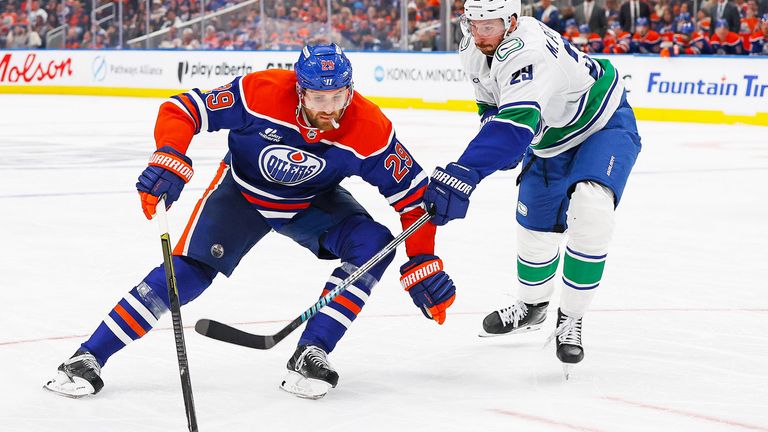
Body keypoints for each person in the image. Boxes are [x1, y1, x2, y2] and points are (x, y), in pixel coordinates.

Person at [43, 44, 456, 400]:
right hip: (241, 194)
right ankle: (89, 355)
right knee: (186, 274)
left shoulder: (369, 127)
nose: (329, 109)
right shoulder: (261, 92)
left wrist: (422, 259)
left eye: (338, 96)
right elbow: (182, 108)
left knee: (375, 245)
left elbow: (416, 199)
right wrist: (170, 153)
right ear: (299, 90)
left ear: (350, 89)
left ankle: (312, 351)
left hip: (311, 203)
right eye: (318, 98)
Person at [427, 0, 641, 376]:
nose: (478, 34)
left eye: (488, 26)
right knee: (534, 231)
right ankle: (532, 306)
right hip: (548, 140)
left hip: (601, 124)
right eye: (472, 24)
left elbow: (514, 124)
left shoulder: (526, 47)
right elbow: (492, 108)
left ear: (512, 21)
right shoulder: (472, 47)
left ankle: (569, 318)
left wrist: (467, 170)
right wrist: (496, 149)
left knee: (591, 208)